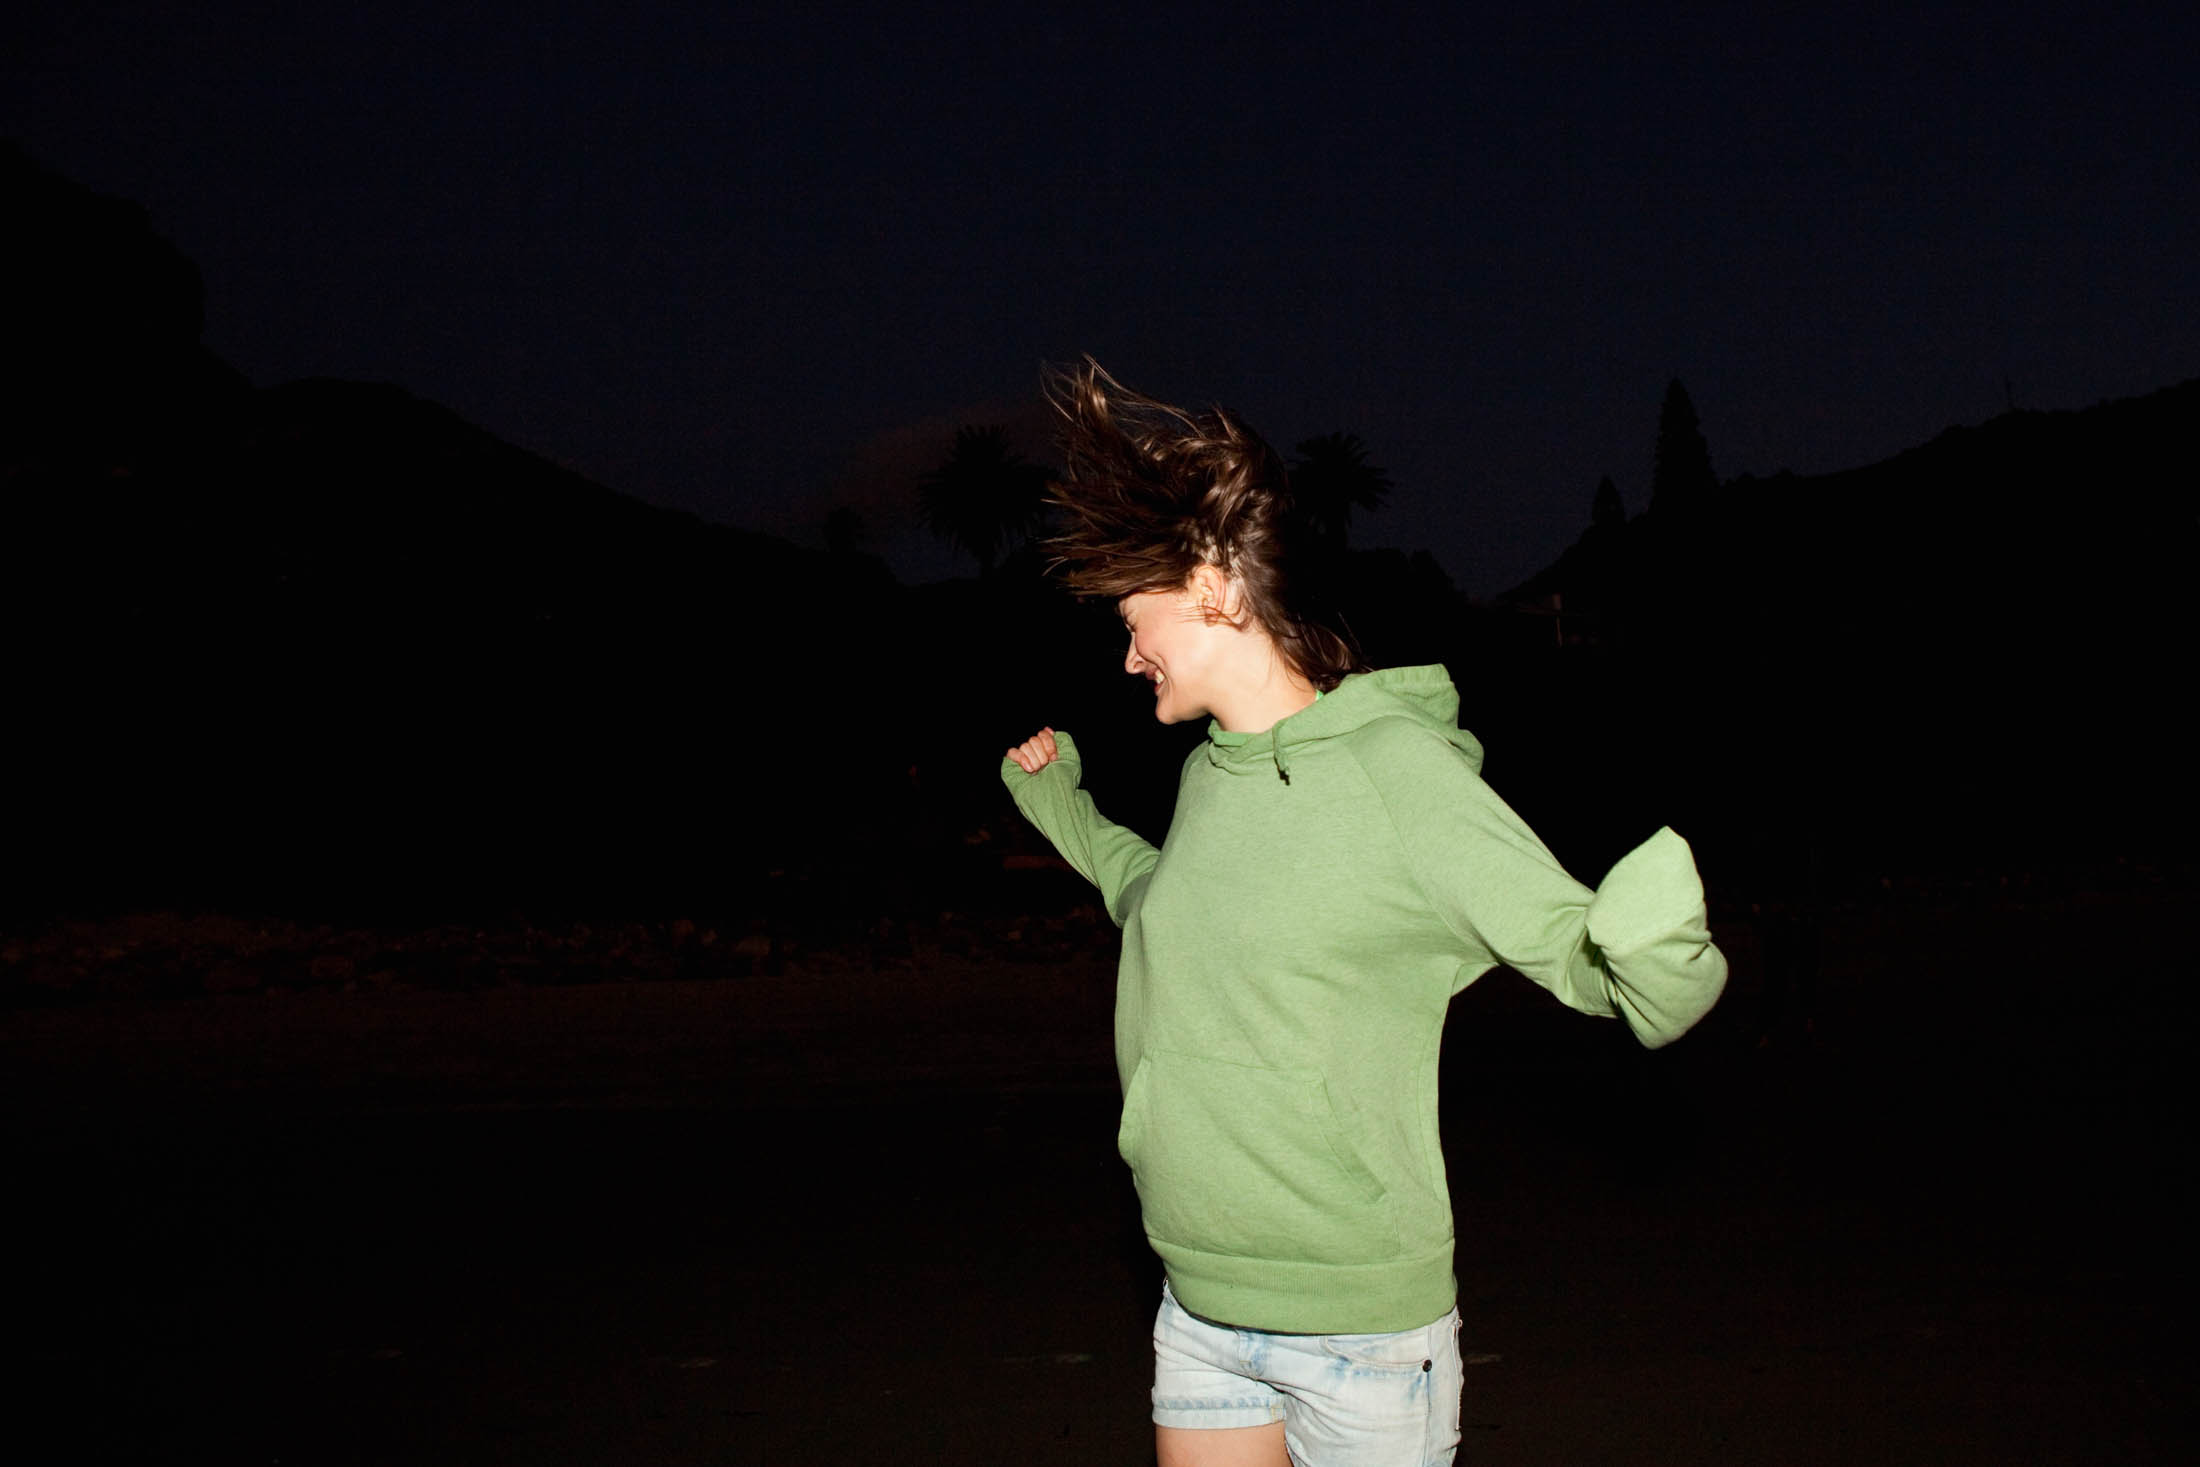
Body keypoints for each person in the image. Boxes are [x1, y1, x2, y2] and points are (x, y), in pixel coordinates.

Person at [1001, 360, 1727, 1467]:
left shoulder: (1398, 771)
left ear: (1213, 588)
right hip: (1197, 1308)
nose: (1127, 651)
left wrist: (1653, 936)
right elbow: (1153, 900)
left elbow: (1588, 961)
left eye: (1133, 617)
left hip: (1360, 1330)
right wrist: (1063, 808)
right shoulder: (1211, 774)